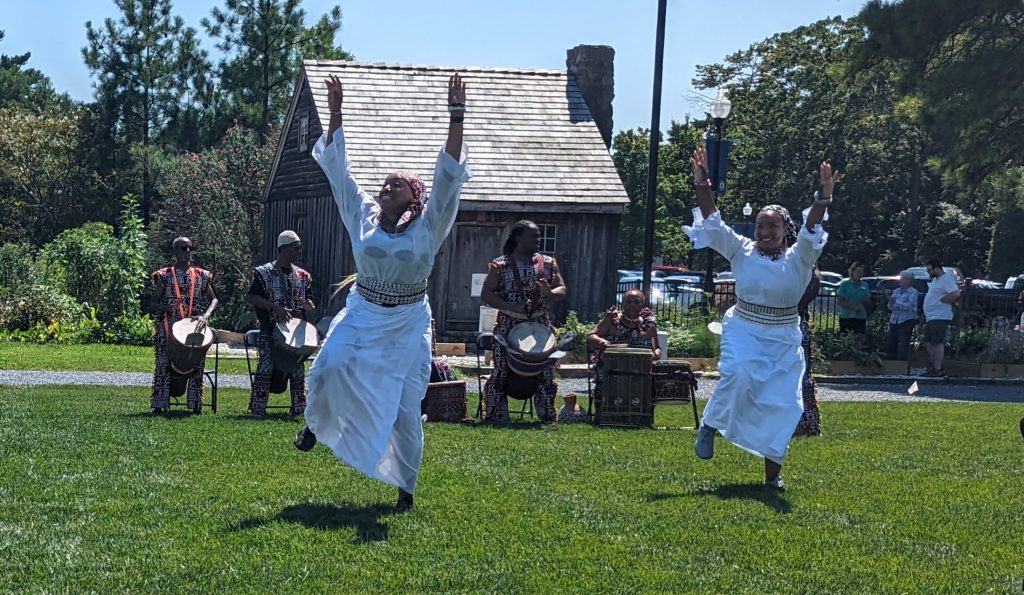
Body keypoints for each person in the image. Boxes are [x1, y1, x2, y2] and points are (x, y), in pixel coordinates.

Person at [296, 72, 471, 512]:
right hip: (363, 313)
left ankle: (405, 490)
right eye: (384, 183)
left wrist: (456, 116)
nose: (385, 187)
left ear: (413, 195)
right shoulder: (364, 216)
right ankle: (315, 425)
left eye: (396, 183)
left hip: (408, 323)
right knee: (328, 366)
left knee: (405, 410)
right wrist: (335, 113)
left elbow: (448, 179)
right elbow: (339, 172)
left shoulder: (430, 224)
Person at [683, 147, 837, 490]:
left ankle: (772, 477)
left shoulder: (800, 256)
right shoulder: (741, 249)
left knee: (782, 406)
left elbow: (812, 225)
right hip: (745, 327)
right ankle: (709, 425)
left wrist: (822, 198)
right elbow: (714, 221)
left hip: (784, 337)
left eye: (772, 226)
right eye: (760, 226)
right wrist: (702, 184)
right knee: (738, 373)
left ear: (786, 229)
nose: (765, 231)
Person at [480, 220, 567, 423]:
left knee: (545, 372)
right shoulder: (500, 265)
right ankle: (495, 416)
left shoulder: (547, 263)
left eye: (538, 236)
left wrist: (550, 292)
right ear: (518, 238)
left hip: (540, 325)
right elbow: (486, 293)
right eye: (533, 236)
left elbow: (562, 289)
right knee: (501, 371)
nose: (538, 240)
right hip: (508, 326)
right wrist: (509, 306)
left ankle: (547, 417)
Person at [246, 230, 316, 416]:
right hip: (270, 332)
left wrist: (308, 306)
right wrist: (275, 308)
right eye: (295, 248)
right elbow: (252, 297)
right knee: (266, 367)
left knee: (297, 370)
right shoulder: (264, 273)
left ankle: (299, 409)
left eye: (299, 248)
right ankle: (257, 408)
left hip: (295, 336)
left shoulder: (303, 276)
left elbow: (309, 301)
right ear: (283, 248)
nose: (298, 252)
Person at [149, 237, 218, 414]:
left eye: (189, 248)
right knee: (163, 365)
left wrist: (206, 315)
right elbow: (152, 303)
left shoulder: (202, 276)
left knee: (197, 365)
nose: (187, 252)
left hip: (194, 326)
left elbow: (214, 299)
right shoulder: (164, 276)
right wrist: (167, 308)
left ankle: (196, 406)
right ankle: (159, 405)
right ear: (175, 252)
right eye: (183, 248)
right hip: (168, 327)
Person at [586, 289, 661, 418]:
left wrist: (656, 354)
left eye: (636, 302)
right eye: (628, 301)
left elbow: (657, 348)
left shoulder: (649, 325)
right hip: (612, 366)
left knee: (652, 378)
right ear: (623, 304)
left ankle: (642, 416)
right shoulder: (612, 320)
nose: (632, 305)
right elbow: (590, 336)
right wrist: (600, 341)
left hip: (640, 368)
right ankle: (605, 414)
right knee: (605, 374)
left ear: (642, 304)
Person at [793, 267, 822, 437]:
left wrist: (792, 306)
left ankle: (805, 423)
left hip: (794, 322)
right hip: (769, 325)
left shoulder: (801, 254)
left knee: (800, 373)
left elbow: (814, 282)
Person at [922, 258, 961, 377]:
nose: (928, 273)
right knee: (928, 342)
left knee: (937, 342)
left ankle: (937, 369)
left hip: (940, 316)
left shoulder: (946, 279)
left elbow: (956, 293)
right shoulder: (936, 280)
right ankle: (933, 365)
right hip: (932, 316)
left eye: (930, 270)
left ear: (937, 269)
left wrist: (944, 300)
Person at [886, 270, 919, 361]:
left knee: (903, 343)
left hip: (906, 320)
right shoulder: (896, 291)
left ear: (909, 280)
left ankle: (902, 363)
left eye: (903, 279)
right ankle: (891, 362)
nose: (900, 281)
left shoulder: (913, 292)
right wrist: (891, 303)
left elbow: (908, 306)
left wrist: (895, 302)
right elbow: (890, 306)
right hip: (894, 320)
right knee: (891, 342)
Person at [836, 261, 870, 336]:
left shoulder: (865, 285)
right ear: (852, 271)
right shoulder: (845, 284)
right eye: (857, 271)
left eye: (861, 272)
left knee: (859, 338)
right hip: (847, 316)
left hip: (860, 316)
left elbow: (867, 300)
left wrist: (866, 302)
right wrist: (854, 307)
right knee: (846, 338)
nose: (859, 274)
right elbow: (840, 301)